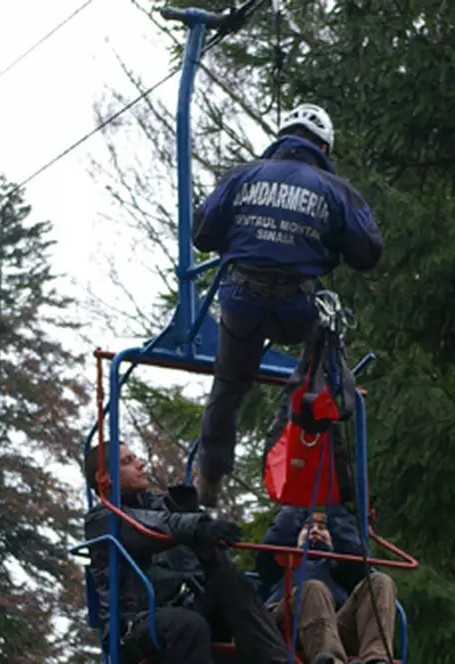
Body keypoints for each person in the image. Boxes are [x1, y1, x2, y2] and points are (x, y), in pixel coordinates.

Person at [190, 102, 384, 507]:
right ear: (324, 149)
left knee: (228, 386)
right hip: (299, 306)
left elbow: (202, 234)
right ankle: (303, 459)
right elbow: (368, 252)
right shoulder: (336, 190)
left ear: (280, 139)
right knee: (321, 377)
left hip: (242, 300)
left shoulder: (241, 177)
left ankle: (208, 479)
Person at [83, 443, 291, 664]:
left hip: (184, 605)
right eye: (127, 462)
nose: (141, 464)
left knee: (231, 581)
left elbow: (202, 557)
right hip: (133, 623)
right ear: (105, 478)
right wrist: (197, 527)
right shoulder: (102, 520)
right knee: (188, 624)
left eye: (136, 457)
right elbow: (148, 527)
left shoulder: (164, 505)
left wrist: (206, 536)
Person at [256, 507, 397, 664]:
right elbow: (276, 538)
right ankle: (330, 660)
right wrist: (298, 502)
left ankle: (376, 659)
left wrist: (335, 505)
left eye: (322, 528)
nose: (315, 531)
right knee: (312, 588)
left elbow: (355, 554)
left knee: (380, 581)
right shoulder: (282, 563)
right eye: (308, 528)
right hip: (287, 623)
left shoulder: (338, 568)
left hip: (334, 627)